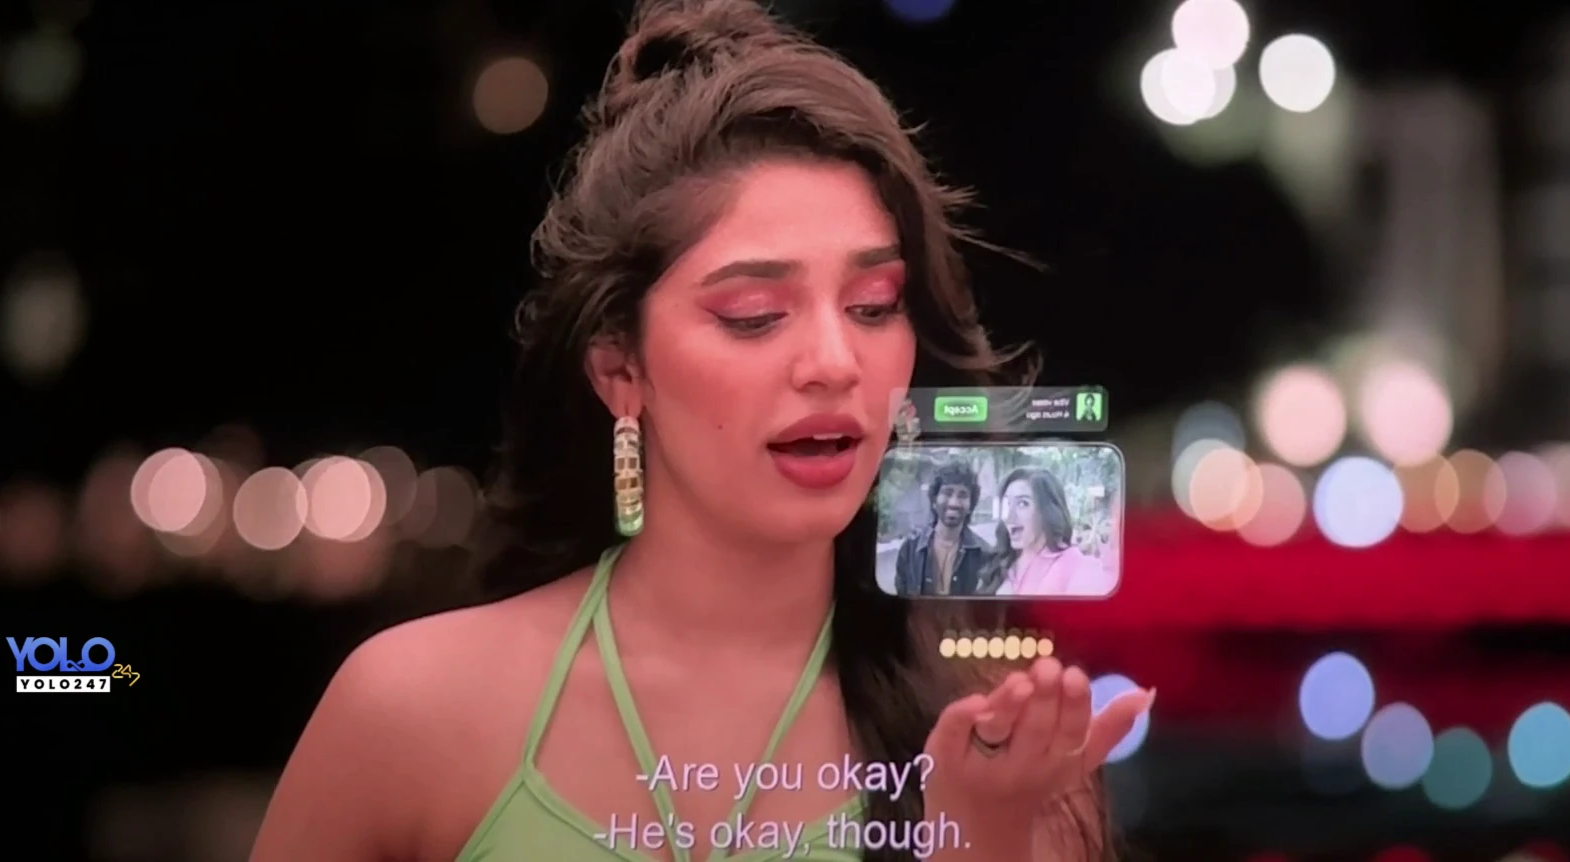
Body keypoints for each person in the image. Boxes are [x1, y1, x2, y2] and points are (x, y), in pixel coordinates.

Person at [249, 2, 1150, 862]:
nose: (834, 361)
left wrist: (982, 834)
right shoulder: (411, 711)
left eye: (874, 305)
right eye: (755, 314)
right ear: (620, 371)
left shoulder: (1002, 746)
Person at [980, 467, 1111, 598]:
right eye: (1008, 504)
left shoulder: (1079, 568)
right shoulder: (1000, 561)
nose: (1009, 517)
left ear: (1047, 511)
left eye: (1023, 503)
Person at [893, 459, 993, 596]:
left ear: (971, 505)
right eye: (947, 492)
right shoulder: (909, 549)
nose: (954, 503)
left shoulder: (985, 555)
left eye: (963, 495)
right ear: (934, 500)